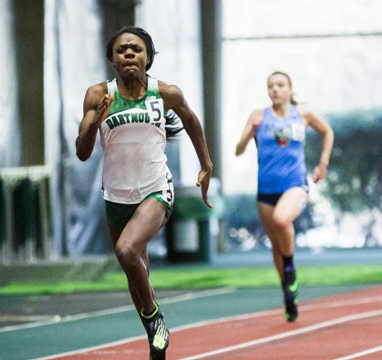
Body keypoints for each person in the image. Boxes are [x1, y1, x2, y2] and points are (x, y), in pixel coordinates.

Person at [76, 27, 213, 359]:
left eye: (135, 49)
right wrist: (95, 121)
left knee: (126, 251)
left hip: (155, 189)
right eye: (121, 49)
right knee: (137, 271)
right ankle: (157, 341)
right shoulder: (97, 95)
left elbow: (191, 120)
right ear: (112, 59)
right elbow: (82, 152)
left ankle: (154, 319)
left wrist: (207, 165)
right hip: (115, 196)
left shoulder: (165, 93)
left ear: (147, 56)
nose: (128, 53)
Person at [235, 71, 334, 322]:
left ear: (290, 88)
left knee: (282, 220)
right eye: (271, 86)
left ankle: (290, 270)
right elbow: (238, 150)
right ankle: (289, 295)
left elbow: (327, 132)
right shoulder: (259, 116)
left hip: (295, 184)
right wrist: (250, 132)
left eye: (280, 85)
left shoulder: (302, 114)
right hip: (266, 189)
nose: (275, 90)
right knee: (276, 245)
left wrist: (322, 164)